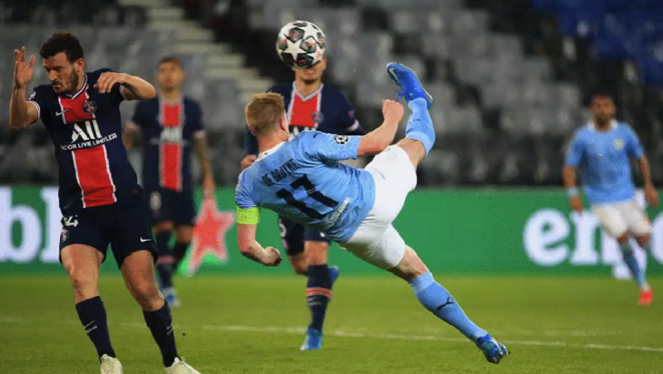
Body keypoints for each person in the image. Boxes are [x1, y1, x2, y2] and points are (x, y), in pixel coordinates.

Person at [235, 62, 509, 364]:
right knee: (416, 143)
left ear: (251, 129)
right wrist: (392, 118)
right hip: (375, 196)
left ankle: (482, 337)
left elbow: (246, 244)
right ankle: (419, 98)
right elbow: (377, 143)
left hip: (353, 237)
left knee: (416, 273)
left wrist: (266, 256)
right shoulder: (306, 142)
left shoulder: (247, 184)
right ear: (284, 123)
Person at [8, 32, 200, 374]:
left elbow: (149, 92)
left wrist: (125, 77)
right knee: (81, 279)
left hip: (125, 204)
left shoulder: (103, 84)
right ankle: (108, 359)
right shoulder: (44, 98)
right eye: (48, 69)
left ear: (79, 64)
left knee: (143, 288)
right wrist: (18, 88)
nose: (52, 76)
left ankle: (173, 362)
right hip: (81, 211)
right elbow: (20, 119)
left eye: (58, 68)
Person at [241, 58, 364, 350]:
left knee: (316, 252)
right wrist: (250, 157)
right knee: (300, 264)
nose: (310, 64)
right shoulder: (277, 95)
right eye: (303, 59)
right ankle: (322, 275)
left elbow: (357, 137)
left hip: (323, 192)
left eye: (315, 58)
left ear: (323, 63)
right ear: (291, 61)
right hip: (286, 195)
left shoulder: (334, 100)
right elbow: (255, 127)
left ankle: (314, 332)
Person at [124, 56, 214, 307]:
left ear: (182, 75)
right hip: (155, 181)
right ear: (156, 76)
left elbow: (200, 143)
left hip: (183, 182)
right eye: (162, 71)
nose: (167, 75)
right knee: (163, 227)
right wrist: (119, 166)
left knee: (185, 236)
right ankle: (168, 287)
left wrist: (208, 175)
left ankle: (163, 277)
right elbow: (129, 137)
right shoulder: (147, 107)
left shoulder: (192, 108)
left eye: (172, 70)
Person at [564, 92, 659, 306]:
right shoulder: (583, 137)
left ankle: (644, 262)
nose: (602, 110)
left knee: (644, 239)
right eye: (598, 106)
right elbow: (569, 167)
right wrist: (573, 195)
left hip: (627, 196)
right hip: (600, 200)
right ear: (592, 109)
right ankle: (644, 286)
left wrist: (648, 185)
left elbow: (641, 159)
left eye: (606, 105)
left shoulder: (624, 133)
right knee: (622, 236)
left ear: (613, 109)